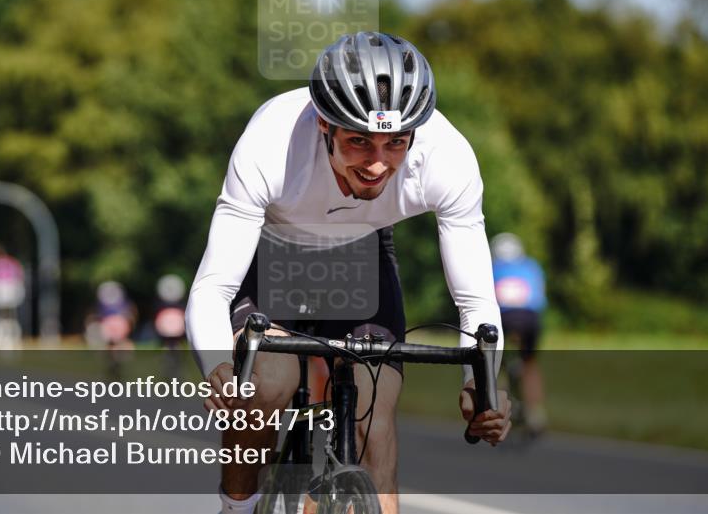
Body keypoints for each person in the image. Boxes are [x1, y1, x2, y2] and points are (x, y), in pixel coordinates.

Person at [186, 31, 510, 514]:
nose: (378, 164)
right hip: (275, 252)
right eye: (359, 141)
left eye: (395, 143)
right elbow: (213, 287)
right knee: (264, 386)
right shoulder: (272, 141)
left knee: (374, 419)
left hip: (361, 257)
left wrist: (479, 385)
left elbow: (477, 303)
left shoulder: (448, 158)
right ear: (324, 126)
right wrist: (219, 368)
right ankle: (238, 503)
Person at [490, 232, 547, 434]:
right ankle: (536, 414)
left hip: (504, 319)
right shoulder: (532, 266)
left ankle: (496, 401)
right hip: (530, 319)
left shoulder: (492, 268)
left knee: (493, 361)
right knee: (530, 363)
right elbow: (539, 299)